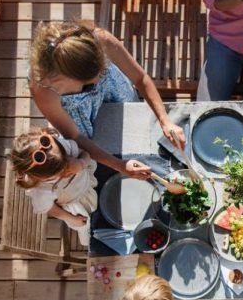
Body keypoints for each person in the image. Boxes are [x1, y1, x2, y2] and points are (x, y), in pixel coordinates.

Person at [29, 20, 185, 180]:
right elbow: (75, 136)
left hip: (115, 91)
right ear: (63, 79)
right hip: (79, 117)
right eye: (89, 83)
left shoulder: (100, 40)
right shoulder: (43, 89)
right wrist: (119, 165)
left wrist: (164, 119)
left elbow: (140, 78)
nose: (97, 81)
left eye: (102, 71)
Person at [10, 128, 98, 245]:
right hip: (76, 202)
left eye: (67, 161)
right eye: (61, 172)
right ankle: (88, 240)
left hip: (85, 181)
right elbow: (51, 209)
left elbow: (85, 154)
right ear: (40, 179)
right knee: (84, 225)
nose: (67, 170)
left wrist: (81, 163)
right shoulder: (42, 189)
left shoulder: (60, 147)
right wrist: (72, 219)